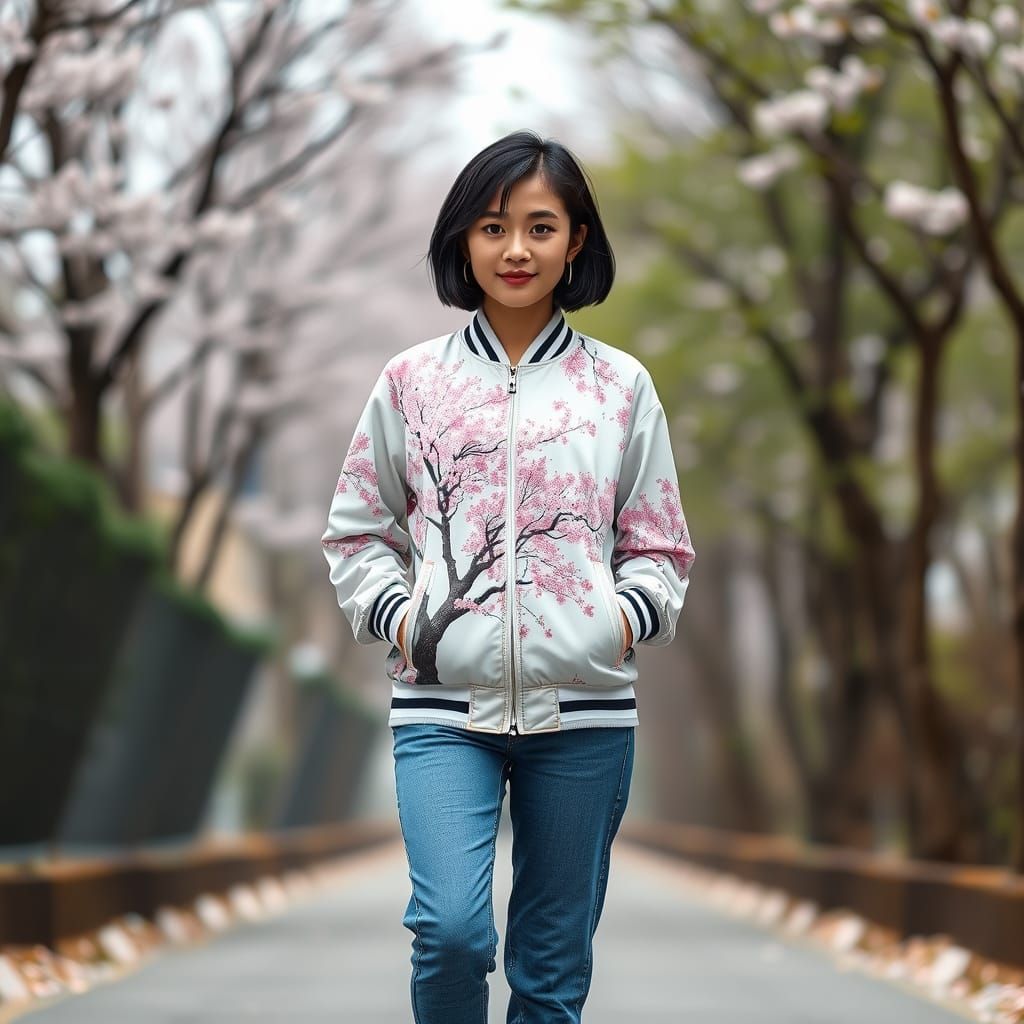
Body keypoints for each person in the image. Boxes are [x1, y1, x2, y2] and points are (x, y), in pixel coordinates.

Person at [320, 129, 695, 1024]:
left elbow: (660, 544)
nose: (516, 250)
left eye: (539, 227)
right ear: (463, 241)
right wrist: (405, 623)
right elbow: (357, 531)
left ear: (576, 242)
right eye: (493, 228)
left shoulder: (620, 386)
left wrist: (621, 619)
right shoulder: (412, 383)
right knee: (450, 931)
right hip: (444, 710)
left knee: (552, 966)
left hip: (588, 711)